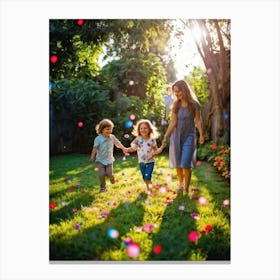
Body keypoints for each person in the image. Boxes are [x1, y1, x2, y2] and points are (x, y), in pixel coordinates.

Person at [162, 80, 204, 194]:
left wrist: (201, 134)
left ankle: (186, 189)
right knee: (178, 162)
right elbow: (173, 122)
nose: (177, 94)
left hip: (189, 136)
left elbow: (198, 121)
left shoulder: (195, 104)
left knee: (185, 162)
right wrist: (166, 135)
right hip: (176, 136)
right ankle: (180, 183)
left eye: (178, 91)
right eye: (175, 92)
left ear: (184, 89)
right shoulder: (176, 105)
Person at [125, 119, 165, 196]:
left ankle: (150, 191)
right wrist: (128, 149)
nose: (143, 130)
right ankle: (148, 188)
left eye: (145, 128)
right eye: (141, 128)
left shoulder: (152, 140)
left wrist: (162, 146)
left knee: (147, 177)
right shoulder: (137, 139)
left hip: (150, 162)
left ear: (149, 129)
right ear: (139, 130)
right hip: (141, 162)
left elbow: (156, 151)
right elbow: (133, 148)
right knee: (144, 177)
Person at [89, 119, 127, 193]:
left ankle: (112, 178)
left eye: (111, 129)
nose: (109, 131)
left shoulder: (112, 137)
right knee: (101, 174)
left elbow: (117, 143)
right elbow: (95, 149)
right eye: (107, 129)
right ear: (101, 130)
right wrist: (92, 157)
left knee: (110, 173)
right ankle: (103, 187)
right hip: (100, 160)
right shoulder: (98, 139)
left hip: (109, 160)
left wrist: (123, 148)